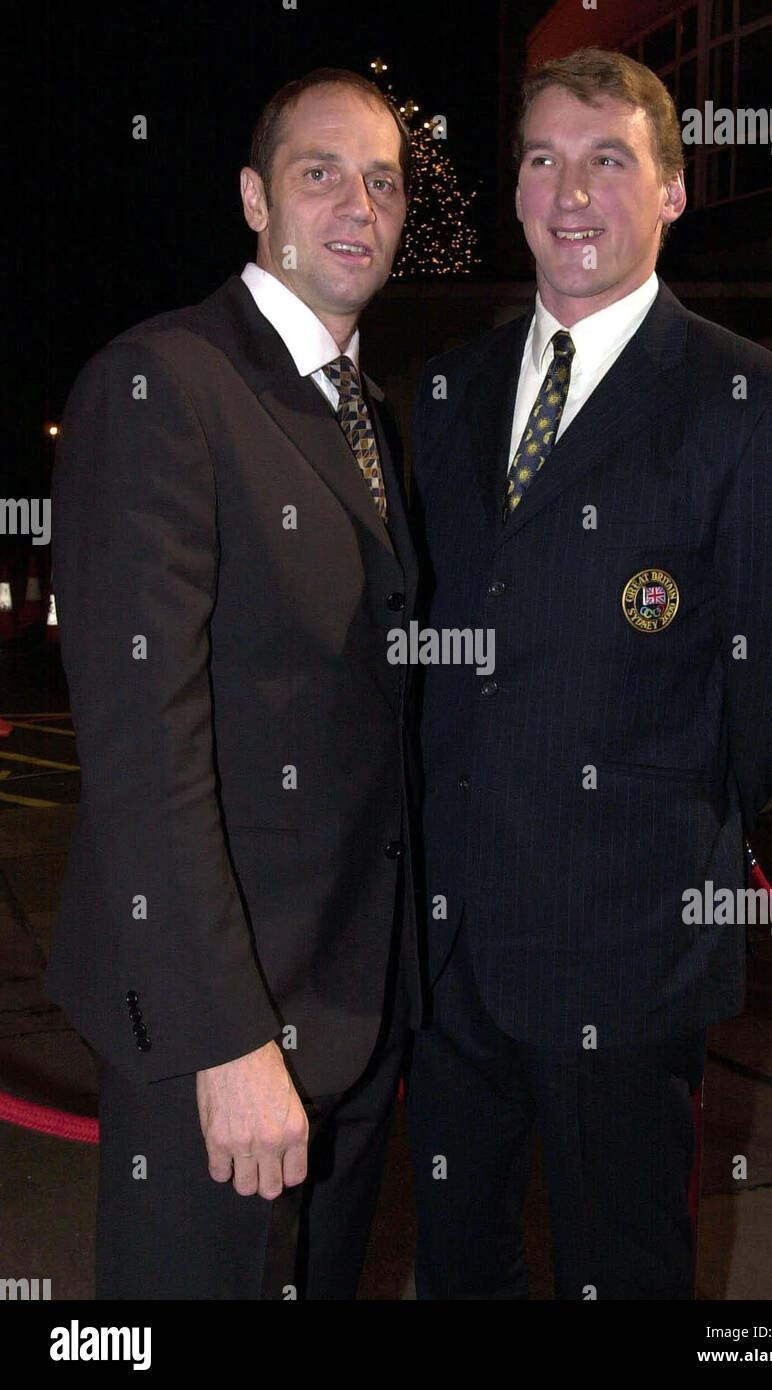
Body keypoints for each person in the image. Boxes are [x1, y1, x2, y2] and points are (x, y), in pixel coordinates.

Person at [406, 47, 772, 1300]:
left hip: (628, 948)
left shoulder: (758, 403)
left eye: (610, 159)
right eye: (544, 158)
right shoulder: (443, 389)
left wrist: (658, 827)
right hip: (443, 956)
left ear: (671, 192)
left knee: (624, 1269)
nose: (572, 189)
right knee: (457, 1267)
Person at [46, 68, 421, 1300]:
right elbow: (143, 745)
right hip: (225, 1029)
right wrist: (227, 1038)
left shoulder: (365, 414)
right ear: (257, 197)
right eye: (322, 172)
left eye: (384, 180)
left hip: (352, 1017)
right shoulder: (166, 383)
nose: (358, 203)